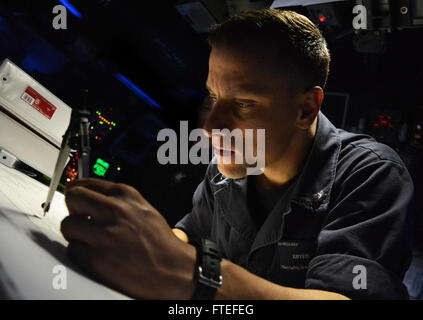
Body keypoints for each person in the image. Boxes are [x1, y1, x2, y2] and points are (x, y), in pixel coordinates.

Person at [61, 9, 414, 300]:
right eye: (213, 99)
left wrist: (196, 277)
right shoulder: (225, 171)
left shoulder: (371, 172)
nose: (211, 128)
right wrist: (143, 241)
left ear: (306, 109)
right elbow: (190, 234)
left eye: (243, 103)